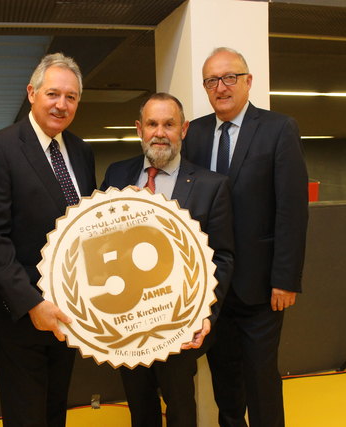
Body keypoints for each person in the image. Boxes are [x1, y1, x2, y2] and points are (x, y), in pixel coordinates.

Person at [182, 47, 308, 427]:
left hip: (261, 289)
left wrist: (285, 280)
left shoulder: (278, 129)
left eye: (229, 77)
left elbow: (292, 210)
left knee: (261, 381)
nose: (221, 87)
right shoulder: (196, 133)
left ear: (248, 81)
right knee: (225, 382)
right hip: (215, 289)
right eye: (211, 80)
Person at [0, 52, 96, 427]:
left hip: (71, 310)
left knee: (56, 409)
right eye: (53, 94)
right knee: (26, 415)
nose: (61, 104)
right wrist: (31, 303)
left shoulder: (81, 150)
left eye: (71, 97)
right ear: (32, 93)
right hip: (22, 314)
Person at [100, 92, 234, 427]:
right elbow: (99, 245)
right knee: (140, 407)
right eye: (152, 124)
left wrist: (207, 314)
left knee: (180, 408)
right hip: (126, 324)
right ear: (139, 129)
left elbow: (223, 258)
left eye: (169, 124)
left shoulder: (210, 186)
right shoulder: (117, 175)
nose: (160, 132)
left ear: (184, 129)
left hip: (181, 323)